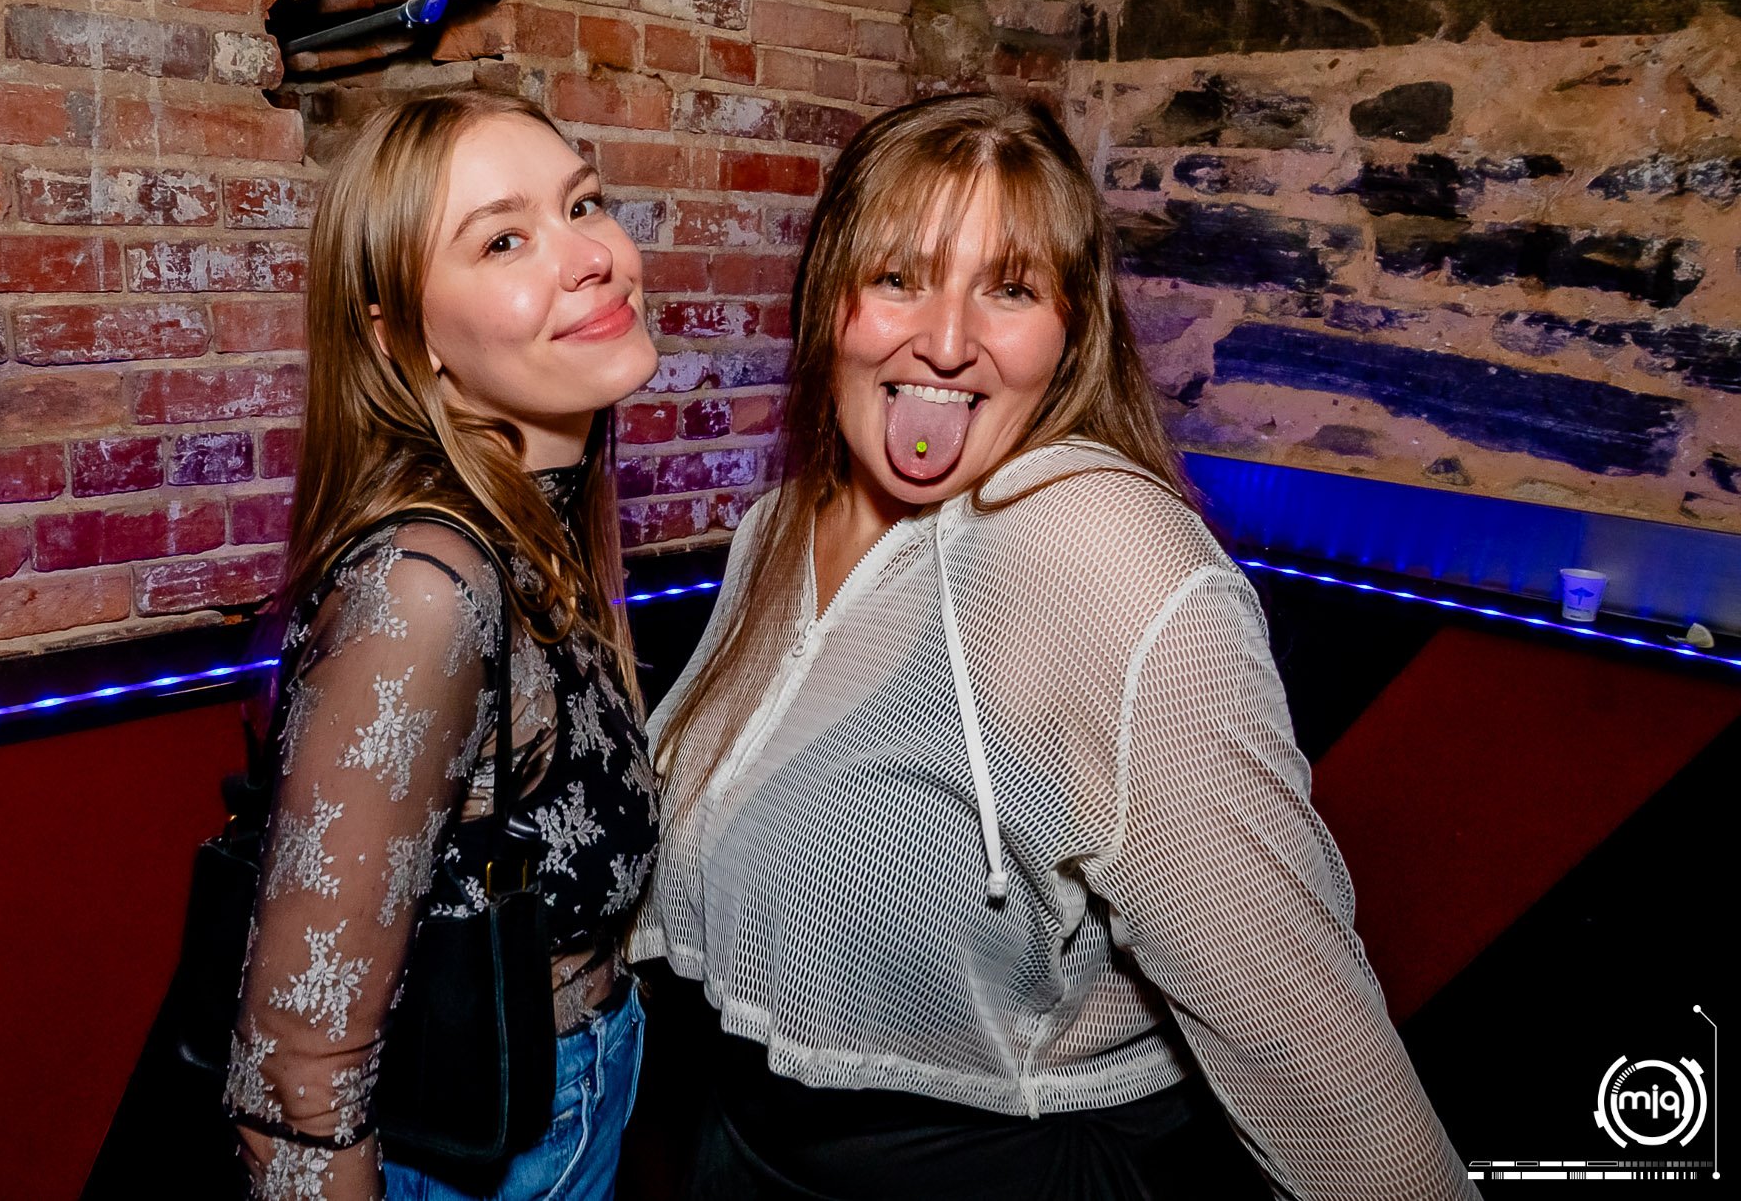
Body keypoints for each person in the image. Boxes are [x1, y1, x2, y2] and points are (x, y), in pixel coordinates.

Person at [629, 94, 1479, 1200]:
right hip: (745, 1152)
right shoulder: (777, 529)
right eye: (898, 277)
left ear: (1071, 332)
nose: (946, 342)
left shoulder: (1095, 553)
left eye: (1011, 289)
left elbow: (1304, 1035)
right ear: (829, 298)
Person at [227, 88, 662, 1201]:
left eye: (584, 204)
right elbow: (294, 1089)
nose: (594, 256)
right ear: (399, 335)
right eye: (504, 240)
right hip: (479, 1157)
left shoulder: (536, 532)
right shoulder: (424, 588)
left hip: (568, 1098)